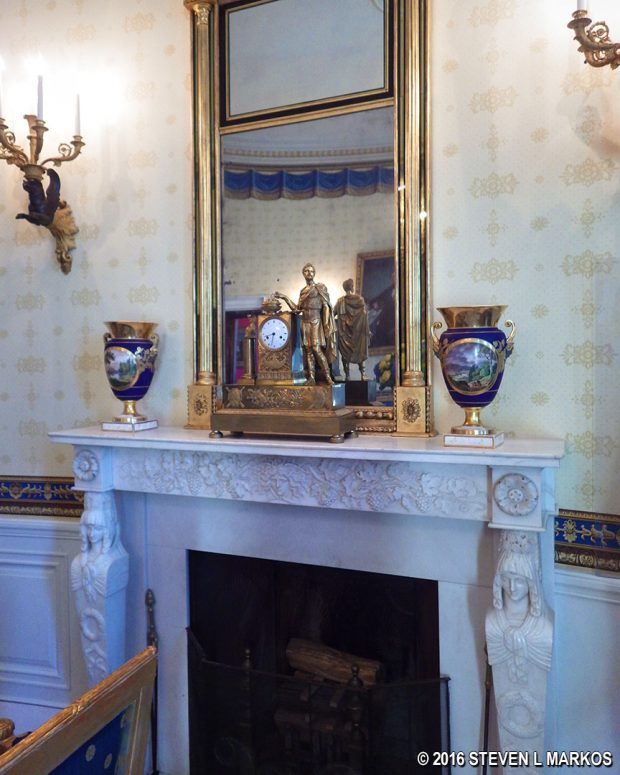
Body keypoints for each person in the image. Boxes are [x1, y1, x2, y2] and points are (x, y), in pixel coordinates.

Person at [275, 263, 337, 385]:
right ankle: (311, 378)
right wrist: (284, 297)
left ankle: (328, 377)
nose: (309, 273)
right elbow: (297, 308)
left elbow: (326, 306)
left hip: (316, 321)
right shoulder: (303, 291)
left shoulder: (320, 287)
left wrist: (326, 325)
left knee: (316, 349)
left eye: (311, 271)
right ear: (303, 273)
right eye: (307, 271)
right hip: (305, 322)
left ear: (314, 273)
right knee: (308, 350)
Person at [333, 279, 370, 381]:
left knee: (345, 355)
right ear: (352, 287)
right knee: (360, 352)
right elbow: (365, 314)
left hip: (344, 333)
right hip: (358, 333)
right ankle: (363, 374)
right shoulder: (360, 299)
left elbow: (332, 314)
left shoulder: (340, 301)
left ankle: (347, 376)